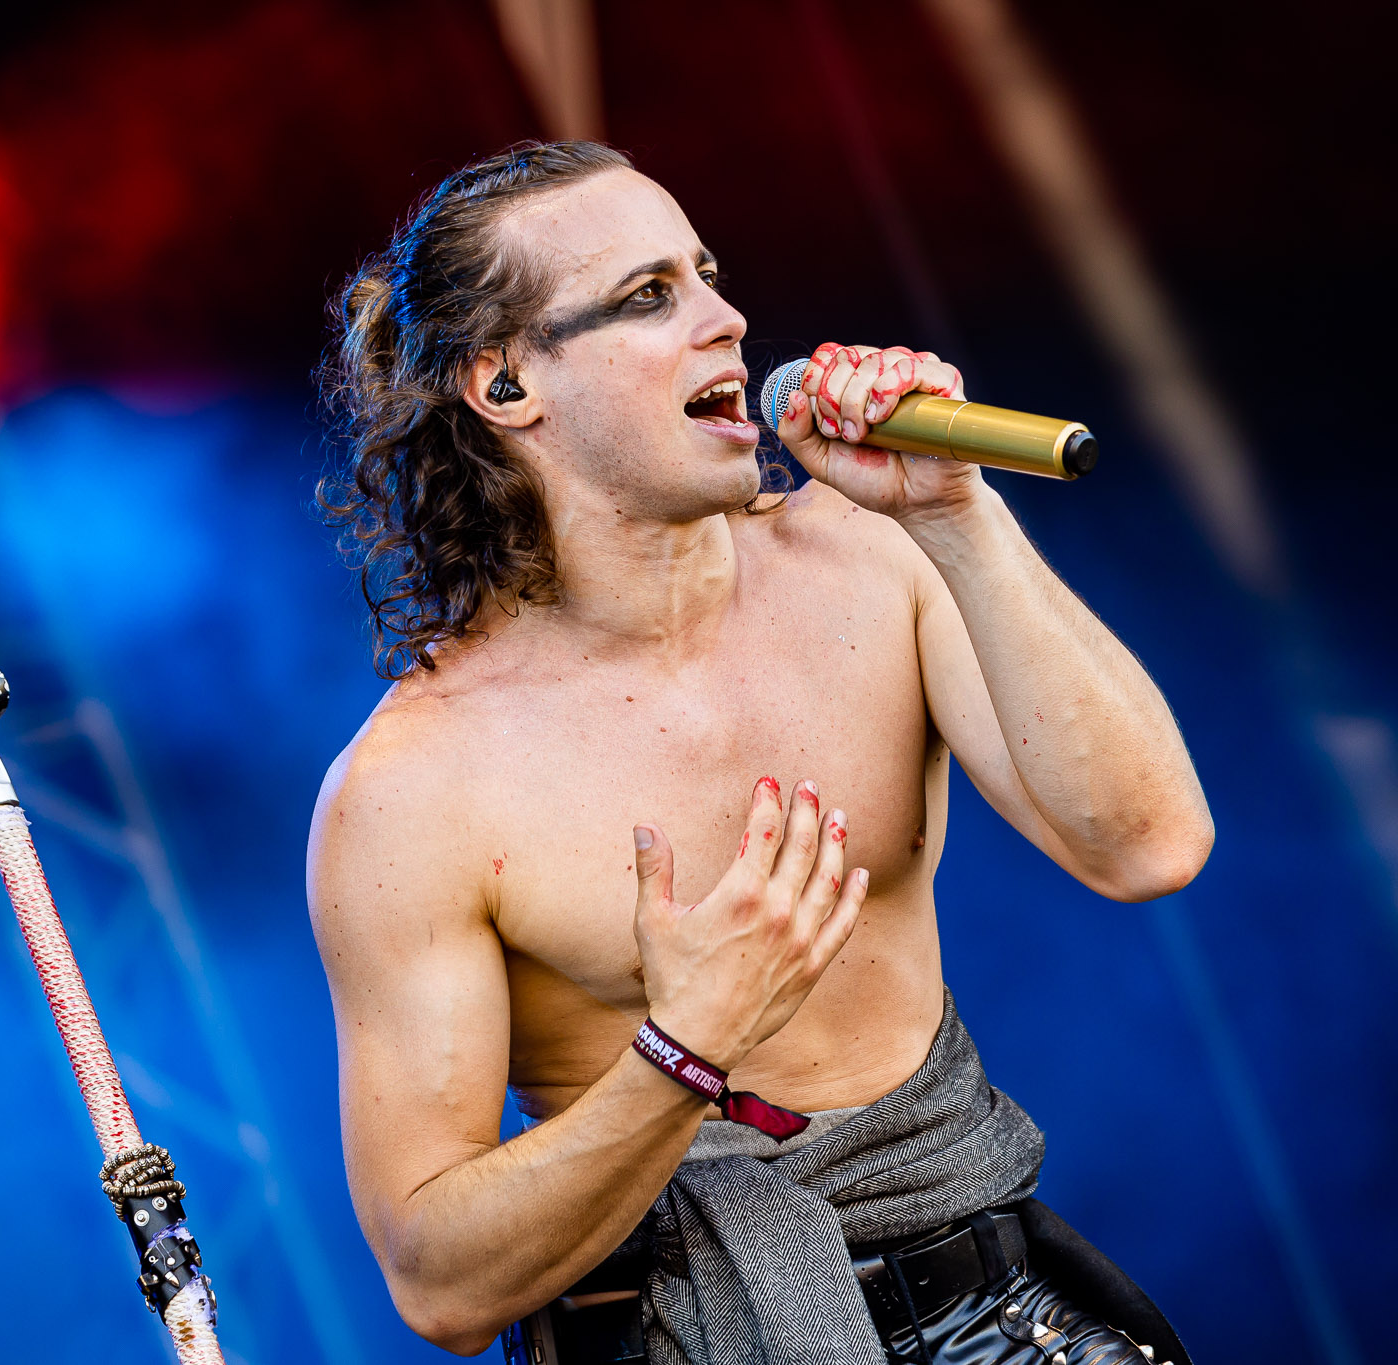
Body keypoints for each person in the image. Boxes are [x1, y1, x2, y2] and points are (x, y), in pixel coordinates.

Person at [305, 141, 1213, 1365]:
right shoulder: (412, 786)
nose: (725, 320)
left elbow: (1147, 845)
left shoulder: (873, 557)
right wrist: (684, 1049)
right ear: (506, 385)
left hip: (991, 1312)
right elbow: (441, 1287)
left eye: (707, 275)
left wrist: (954, 514)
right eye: (646, 296)